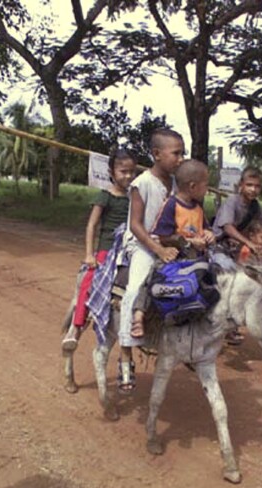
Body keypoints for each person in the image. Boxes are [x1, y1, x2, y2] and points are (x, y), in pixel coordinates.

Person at [117, 128, 184, 392]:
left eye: (183, 154)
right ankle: (125, 356)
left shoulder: (178, 184)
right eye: (176, 153)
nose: (180, 159)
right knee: (134, 290)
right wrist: (158, 250)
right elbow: (135, 225)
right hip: (143, 245)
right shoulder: (142, 183)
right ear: (157, 154)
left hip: (169, 243)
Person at [62, 148, 137, 352]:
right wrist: (89, 254)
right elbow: (92, 226)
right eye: (123, 171)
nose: (128, 176)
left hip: (130, 250)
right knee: (90, 280)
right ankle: (76, 328)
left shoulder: (135, 197)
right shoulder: (105, 196)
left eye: (132, 171)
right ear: (112, 173)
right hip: (107, 249)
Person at [130, 160, 215, 337]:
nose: (208, 188)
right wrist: (190, 242)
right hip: (175, 256)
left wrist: (208, 234)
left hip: (195, 259)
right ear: (192, 186)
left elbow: (205, 227)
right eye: (206, 185)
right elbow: (162, 235)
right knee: (152, 276)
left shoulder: (198, 207)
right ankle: (138, 314)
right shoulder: (171, 205)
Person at [211, 166, 262, 258]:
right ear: (241, 185)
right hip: (219, 246)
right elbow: (227, 227)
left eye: (257, 186)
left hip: (236, 247)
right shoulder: (232, 201)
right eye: (249, 185)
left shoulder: (254, 206)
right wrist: (249, 243)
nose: (253, 189)